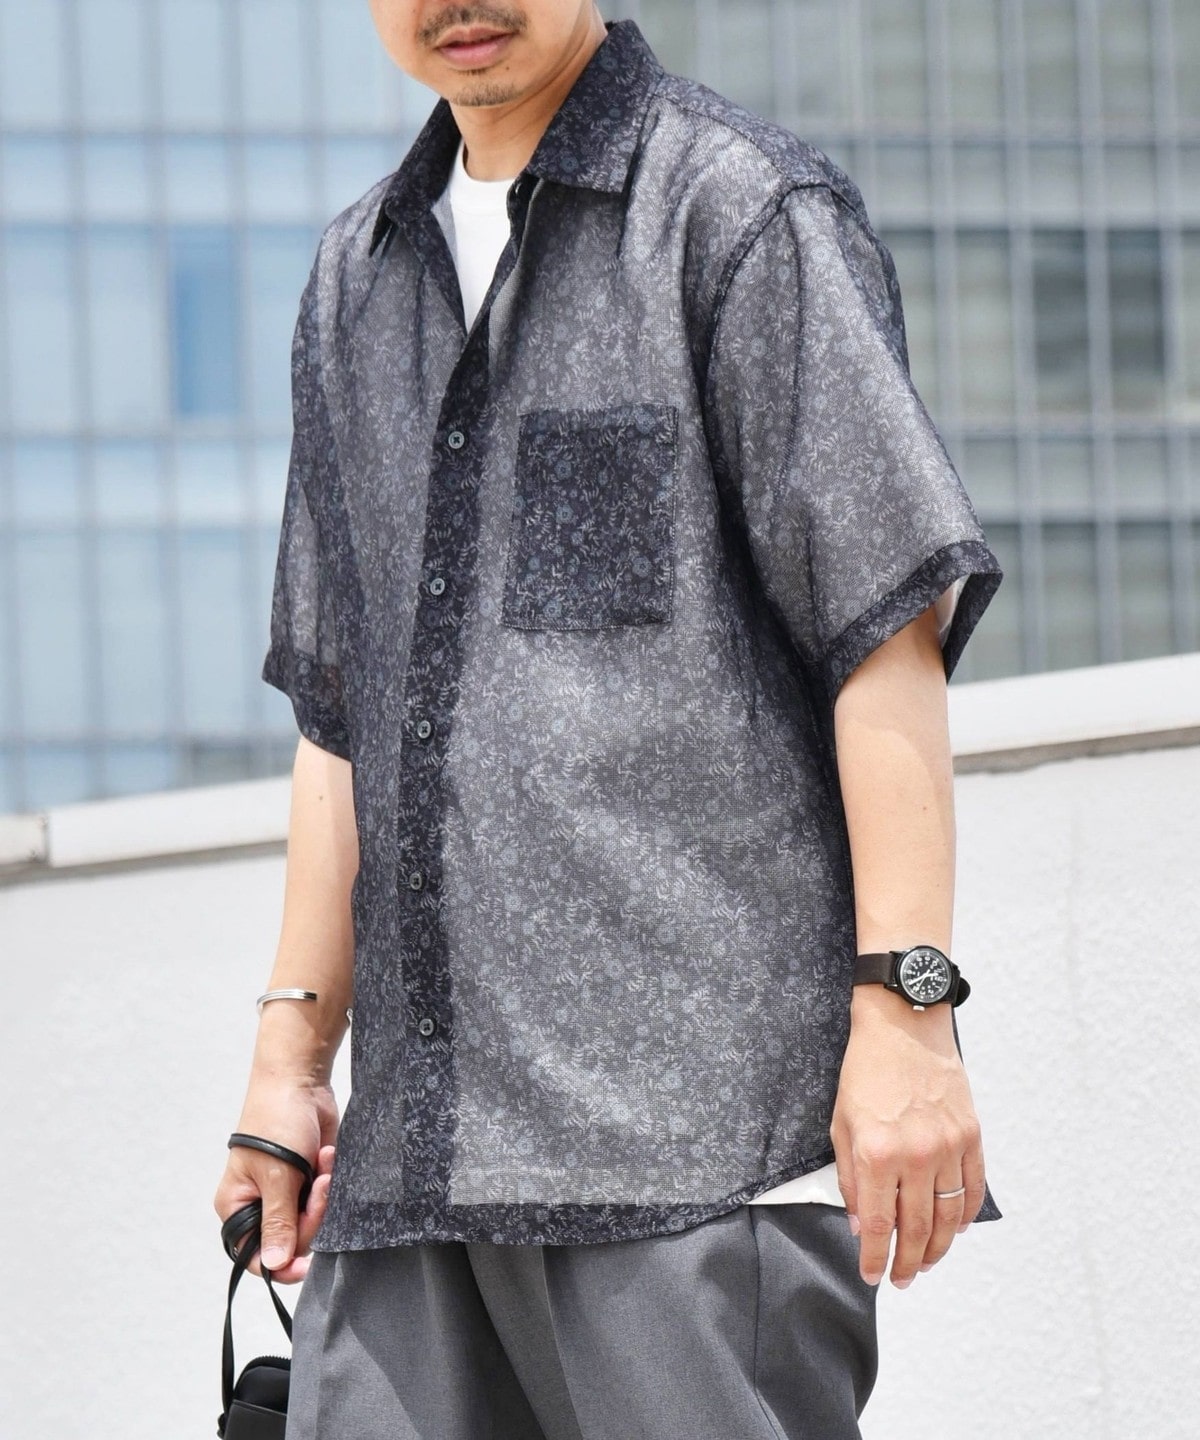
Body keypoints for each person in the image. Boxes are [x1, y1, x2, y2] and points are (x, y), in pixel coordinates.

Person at [213, 5, 1003, 1436]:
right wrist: (288, 1067)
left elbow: (884, 633)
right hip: (411, 1171)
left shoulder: (736, 211)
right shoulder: (354, 275)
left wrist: (908, 1014)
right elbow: (343, 713)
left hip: (693, 1153)